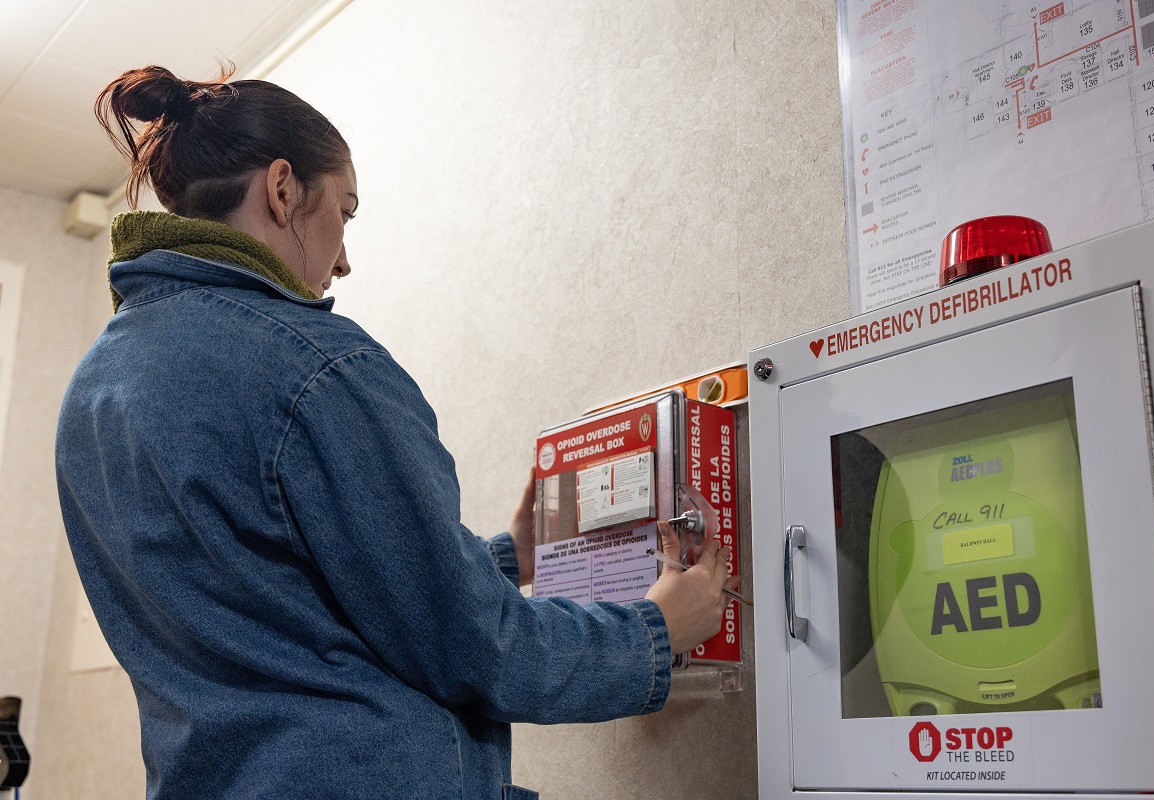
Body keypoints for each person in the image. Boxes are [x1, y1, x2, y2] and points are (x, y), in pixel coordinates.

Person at [54, 65, 737, 800]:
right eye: (345, 211)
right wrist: (656, 632)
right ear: (283, 190)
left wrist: (512, 555)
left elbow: (284, 595)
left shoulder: (94, 390)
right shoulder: (316, 368)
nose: (344, 258)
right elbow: (481, 649)